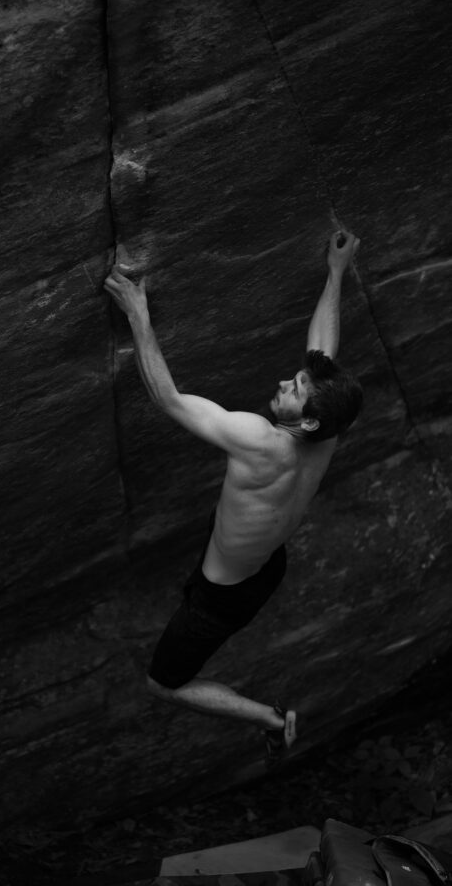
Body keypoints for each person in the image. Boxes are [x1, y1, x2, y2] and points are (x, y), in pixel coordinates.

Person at [104, 230, 363, 762]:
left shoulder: (258, 439)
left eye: (293, 390)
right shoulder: (327, 431)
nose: (283, 384)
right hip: (265, 565)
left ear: (307, 418)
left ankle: (269, 718)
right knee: (216, 560)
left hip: (222, 597)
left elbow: (168, 398)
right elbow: (322, 355)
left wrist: (137, 310)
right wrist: (336, 272)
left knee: (164, 683)